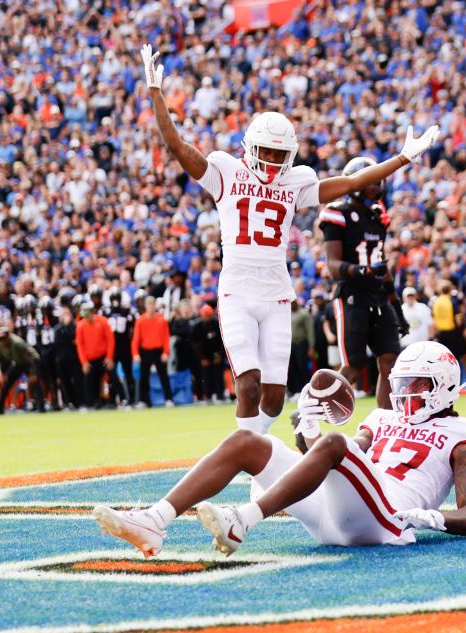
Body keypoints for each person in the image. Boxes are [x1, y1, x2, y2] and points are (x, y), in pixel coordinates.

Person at [140, 44, 438, 435]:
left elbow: (349, 182)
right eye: (266, 150)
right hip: (238, 291)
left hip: (277, 292)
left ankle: (251, 452)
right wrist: (156, 93)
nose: (273, 159)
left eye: (280, 153)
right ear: (249, 147)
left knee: (276, 396)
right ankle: (245, 456)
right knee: (247, 384)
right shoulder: (226, 170)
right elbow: (177, 147)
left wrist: (402, 158)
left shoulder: (297, 182)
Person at [92, 340, 466, 557]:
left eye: (418, 385)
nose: (406, 395)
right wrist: (309, 427)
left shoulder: (464, 434)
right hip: (338, 513)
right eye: (402, 385)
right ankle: (154, 520)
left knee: (336, 443)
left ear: (445, 385)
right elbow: (338, 457)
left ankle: (243, 520)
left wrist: (433, 518)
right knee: (250, 442)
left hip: (385, 521)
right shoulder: (383, 418)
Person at [320, 157, 410, 409]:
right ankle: (310, 417)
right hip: (352, 295)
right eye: (371, 181)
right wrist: (363, 270)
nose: (376, 186)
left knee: (391, 362)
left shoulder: (377, 215)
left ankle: (384, 425)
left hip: (379, 297)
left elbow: (382, 266)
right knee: (353, 367)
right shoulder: (338, 213)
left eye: (377, 181)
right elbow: (333, 264)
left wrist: (398, 309)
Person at [132, 296, 173, 408]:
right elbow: (136, 339)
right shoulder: (140, 320)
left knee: (163, 376)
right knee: (144, 377)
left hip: (159, 351)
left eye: (152, 304)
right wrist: (135, 354)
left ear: (155, 305)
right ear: (145, 306)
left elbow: (166, 338)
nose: (150, 307)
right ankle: (143, 401)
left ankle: (168, 399)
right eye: (148, 304)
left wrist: (166, 352)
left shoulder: (162, 320)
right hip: (145, 351)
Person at [432, 281, 466, 386]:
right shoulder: (452, 301)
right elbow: (458, 318)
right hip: (454, 333)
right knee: (462, 357)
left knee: (446, 360)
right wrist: (464, 327)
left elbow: (434, 319)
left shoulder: (436, 302)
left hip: (441, 334)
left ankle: (450, 383)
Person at [75, 303, 118, 409]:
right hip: (90, 360)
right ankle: (91, 403)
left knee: (110, 377)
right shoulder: (80, 326)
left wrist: (109, 357)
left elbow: (110, 340)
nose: (86, 317)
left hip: (103, 358)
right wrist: (84, 362)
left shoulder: (103, 321)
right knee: (89, 380)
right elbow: (80, 345)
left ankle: (111, 401)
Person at [0, 327, 45, 414]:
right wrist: (4, 374)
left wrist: (32, 373)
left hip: (31, 360)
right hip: (18, 362)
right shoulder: (0, 346)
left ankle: (41, 407)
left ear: (8, 337)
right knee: (6, 384)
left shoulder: (18, 343)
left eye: (4, 338)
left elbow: (30, 357)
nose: (3, 341)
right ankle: (0, 408)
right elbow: (2, 360)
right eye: (1, 339)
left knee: (35, 382)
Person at [101, 286, 137, 406]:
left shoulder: (127, 311)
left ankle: (131, 399)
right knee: (111, 374)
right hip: (111, 348)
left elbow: (133, 327)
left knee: (128, 373)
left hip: (124, 346)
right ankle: (114, 399)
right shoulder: (105, 312)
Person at [192, 304, 226, 403]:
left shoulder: (217, 324)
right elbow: (194, 343)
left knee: (219, 375)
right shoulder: (197, 326)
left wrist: (219, 355)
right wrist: (202, 358)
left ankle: (220, 396)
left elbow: (222, 341)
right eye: (205, 316)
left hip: (217, 353)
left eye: (209, 316)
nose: (207, 318)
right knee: (205, 376)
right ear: (201, 315)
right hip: (203, 354)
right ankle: (208, 396)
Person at [286, 299, 315, 397]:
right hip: (291, 344)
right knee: (293, 368)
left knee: (302, 367)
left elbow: (309, 330)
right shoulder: (288, 313)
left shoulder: (303, 314)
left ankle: (307, 390)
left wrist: (311, 346)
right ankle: (297, 391)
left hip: (301, 343)